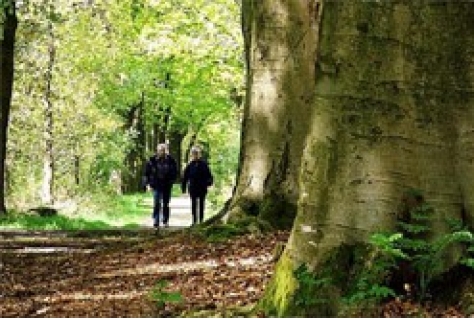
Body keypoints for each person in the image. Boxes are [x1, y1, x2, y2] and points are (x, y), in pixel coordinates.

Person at [144, 143, 178, 228]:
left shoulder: (171, 160)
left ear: (166, 151)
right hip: (156, 185)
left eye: (163, 150)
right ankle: (156, 220)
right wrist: (147, 184)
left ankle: (165, 221)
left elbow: (175, 171)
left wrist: (172, 180)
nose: (162, 152)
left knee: (166, 203)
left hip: (166, 185)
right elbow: (146, 173)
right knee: (156, 203)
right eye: (160, 150)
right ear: (157, 151)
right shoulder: (152, 160)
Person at [181, 146, 213, 225]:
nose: (195, 155)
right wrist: (183, 188)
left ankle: (201, 220)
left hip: (202, 187)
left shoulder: (204, 164)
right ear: (191, 155)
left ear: (199, 155)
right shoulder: (189, 165)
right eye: (194, 154)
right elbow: (185, 177)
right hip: (193, 187)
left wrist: (209, 183)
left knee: (202, 204)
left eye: (197, 154)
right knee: (194, 204)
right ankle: (194, 220)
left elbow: (209, 176)